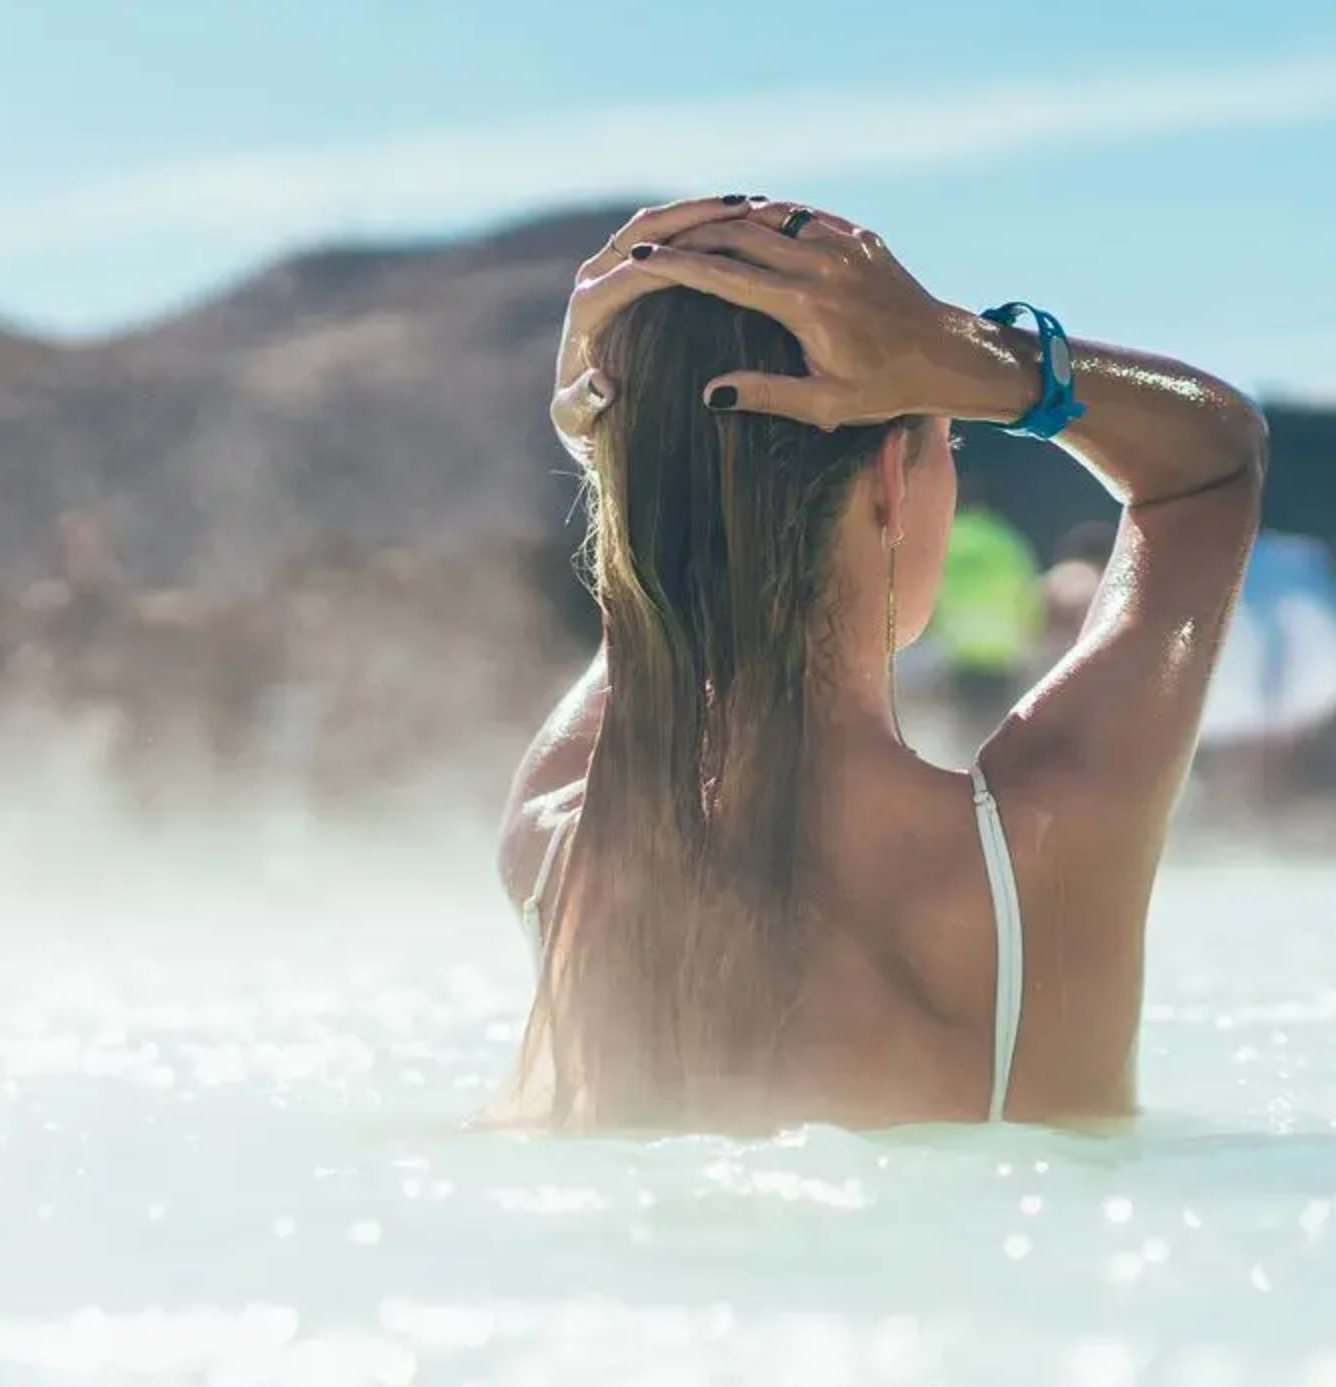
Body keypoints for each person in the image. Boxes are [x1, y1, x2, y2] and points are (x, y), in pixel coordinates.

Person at [495, 197, 1265, 1129]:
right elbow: (1212, 464)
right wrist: (973, 360)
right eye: (951, 442)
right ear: (895, 483)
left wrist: (633, 442)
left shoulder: (556, 849)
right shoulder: (1040, 849)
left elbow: (660, 592)